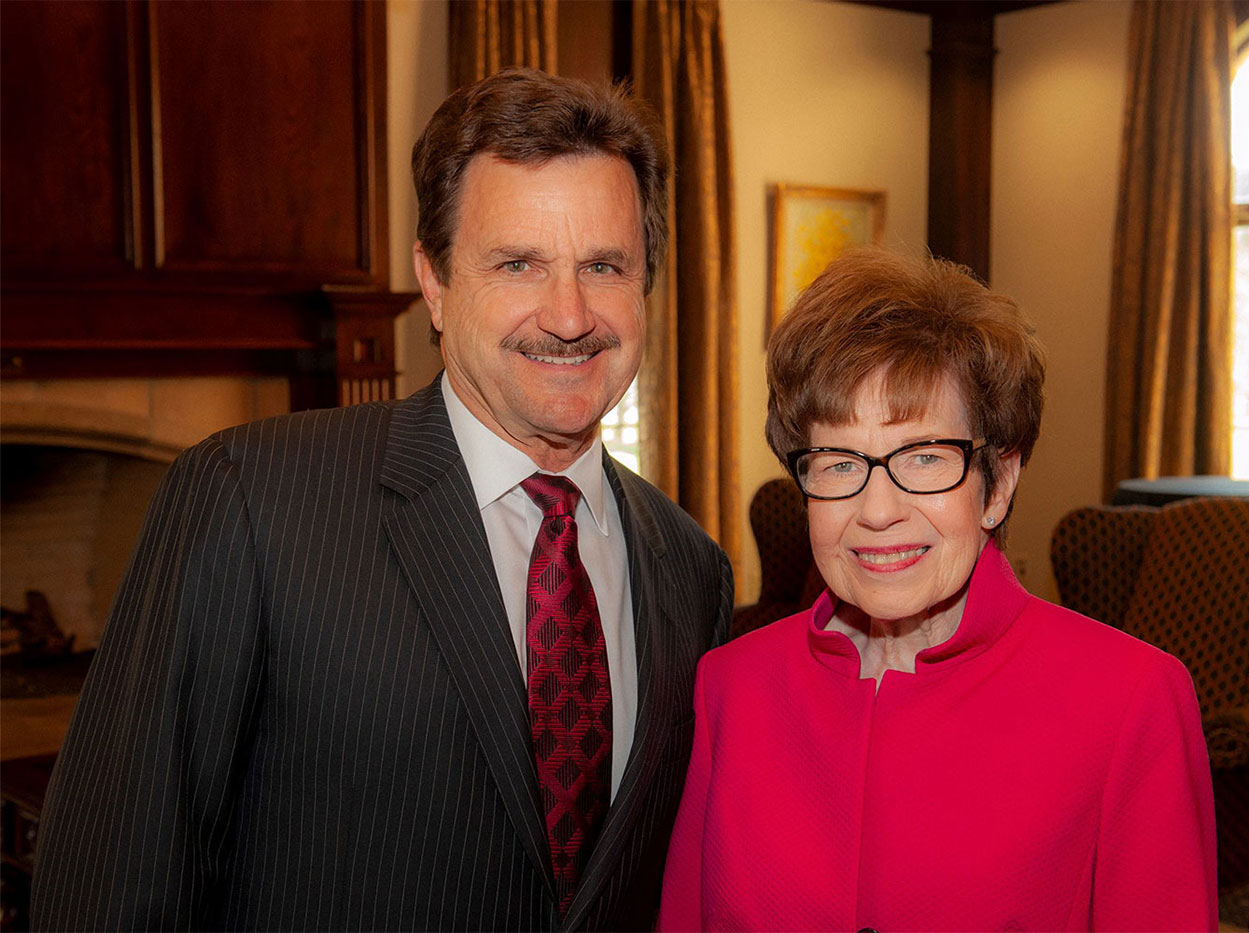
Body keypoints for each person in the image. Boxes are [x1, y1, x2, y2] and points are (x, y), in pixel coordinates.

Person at [32, 69, 733, 932]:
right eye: (518, 262)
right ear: (434, 281)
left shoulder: (692, 568)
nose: (569, 312)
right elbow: (111, 879)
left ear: (646, 285)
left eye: (605, 265)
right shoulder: (251, 500)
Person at [658, 249, 1217, 931]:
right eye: (837, 463)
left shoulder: (1132, 700)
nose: (878, 509)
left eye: (924, 456)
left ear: (999, 482)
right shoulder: (731, 685)